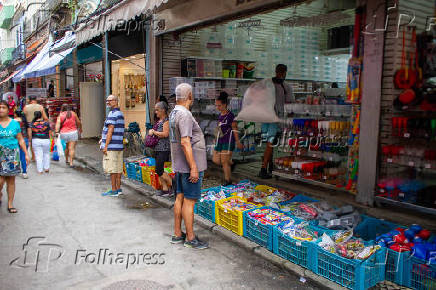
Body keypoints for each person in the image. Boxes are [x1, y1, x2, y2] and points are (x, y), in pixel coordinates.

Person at [169, 83, 208, 249]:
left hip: (179, 164)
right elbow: (185, 142)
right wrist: (193, 167)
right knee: (190, 201)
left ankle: (178, 234)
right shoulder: (184, 114)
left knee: (180, 197)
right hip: (188, 166)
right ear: (190, 96)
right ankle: (190, 238)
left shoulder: (174, 113)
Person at [259, 64, 295, 179]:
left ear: (275, 71)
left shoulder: (267, 85)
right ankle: (263, 169)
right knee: (271, 144)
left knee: (269, 144)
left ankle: (270, 166)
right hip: (275, 118)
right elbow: (290, 105)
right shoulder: (286, 86)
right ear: (284, 72)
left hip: (265, 118)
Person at [0, 100, 31, 213]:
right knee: (1, 181)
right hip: (0, 154)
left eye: (3, 107)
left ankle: (10, 204)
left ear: (8, 110)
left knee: (11, 180)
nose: (1, 110)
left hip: (13, 155)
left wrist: (26, 154)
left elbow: (20, 139)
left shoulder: (14, 123)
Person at [212, 92, 243, 186]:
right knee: (216, 160)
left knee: (224, 161)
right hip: (220, 140)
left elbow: (235, 129)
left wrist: (238, 142)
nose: (217, 107)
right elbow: (219, 128)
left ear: (225, 104)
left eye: (219, 105)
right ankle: (232, 163)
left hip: (228, 141)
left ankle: (228, 180)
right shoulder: (220, 115)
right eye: (216, 105)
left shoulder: (231, 116)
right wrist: (215, 138)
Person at [100, 95, 125, 197]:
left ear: (115, 101)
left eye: (110, 101)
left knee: (112, 168)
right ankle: (118, 189)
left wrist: (105, 146)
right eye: (107, 101)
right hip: (119, 145)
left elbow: (110, 130)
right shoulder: (120, 113)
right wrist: (103, 139)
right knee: (118, 168)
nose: (108, 103)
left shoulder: (113, 114)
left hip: (112, 146)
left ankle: (114, 190)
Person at [149, 101, 173, 196]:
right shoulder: (159, 121)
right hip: (158, 148)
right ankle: (165, 189)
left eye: (157, 110)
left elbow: (165, 134)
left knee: (159, 170)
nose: (156, 112)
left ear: (163, 110)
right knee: (158, 170)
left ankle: (174, 186)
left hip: (163, 149)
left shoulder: (166, 121)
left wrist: (154, 132)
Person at [23, 95, 48, 161]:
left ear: (29, 100)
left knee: (32, 141)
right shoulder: (40, 107)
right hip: (39, 125)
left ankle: (34, 157)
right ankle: (39, 155)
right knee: (40, 139)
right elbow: (45, 118)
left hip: (29, 126)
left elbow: (23, 117)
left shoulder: (26, 107)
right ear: (36, 100)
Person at [14, 110, 30, 179]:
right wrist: (29, 139)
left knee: (16, 155)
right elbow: (29, 131)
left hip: (16, 140)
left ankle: (17, 170)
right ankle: (24, 172)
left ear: (16, 114)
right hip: (25, 139)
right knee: (23, 156)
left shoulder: (13, 121)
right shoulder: (25, 121)